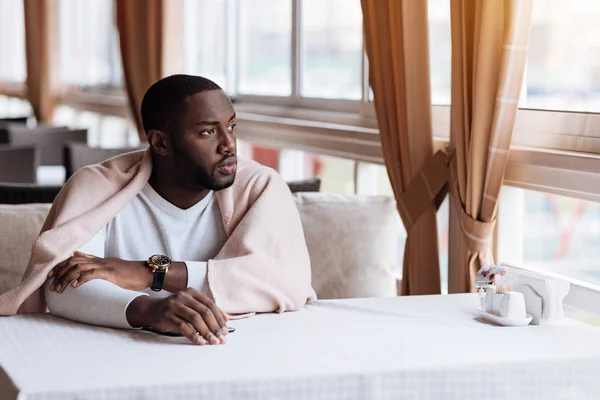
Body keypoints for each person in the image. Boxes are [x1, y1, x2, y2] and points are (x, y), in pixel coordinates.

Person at [0, 75, 316, 345]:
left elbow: (289, 282)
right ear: (161, 142)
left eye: (231, 126)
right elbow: (62, 285)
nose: (228, 144)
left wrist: (151, 272)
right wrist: (150, 310)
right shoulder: (96, 186)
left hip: (240, 352)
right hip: (113, 357)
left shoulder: (261, 185)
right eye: (208, 131)